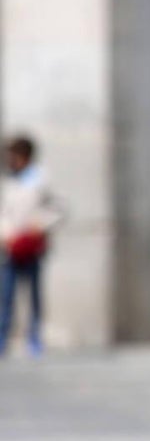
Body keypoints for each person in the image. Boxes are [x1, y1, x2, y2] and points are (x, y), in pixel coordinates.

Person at [0, 136, 65, 357]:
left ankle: (34, 338)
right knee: (6, 296)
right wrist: (5, 234)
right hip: (10, 248)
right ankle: (3, 339)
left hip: (32, 247)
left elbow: (58, 208)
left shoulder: (40, 179)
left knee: (33, 296)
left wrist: (40, 225)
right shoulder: (8, 180)